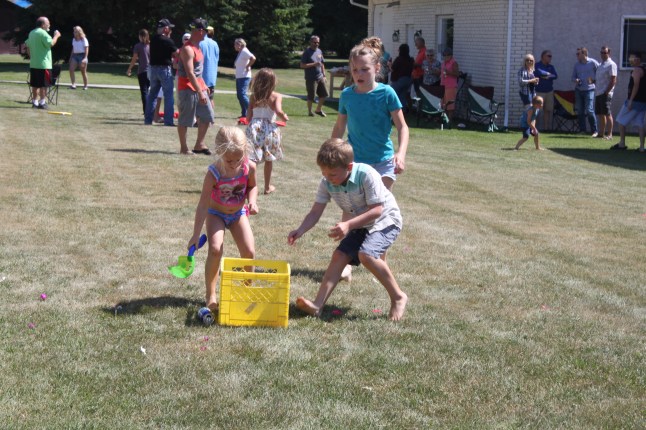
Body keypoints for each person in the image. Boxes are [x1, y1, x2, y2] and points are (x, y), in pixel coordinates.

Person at [287, 138, 408, 321]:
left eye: (332, 174)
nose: (328, 178)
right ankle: (317, 305)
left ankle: (398, 297)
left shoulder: (366, 174)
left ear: (349, 167)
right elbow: (315, 212)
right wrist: (300, 230)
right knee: (339, 255)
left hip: (386, 221)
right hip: (362, 223)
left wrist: (348, 225)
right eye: (324, 173)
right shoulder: (327, 182)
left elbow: (377, 210)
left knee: (367, 255)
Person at [189, 126, 258, 312]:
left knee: (249, 251)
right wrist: (195, 235)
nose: (234, 164)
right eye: (229, 160)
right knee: (215, 249)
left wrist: (252, 201)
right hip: (216, 214)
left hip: (238, 214)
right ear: (219, 152)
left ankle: (246, 291)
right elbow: (203, 205)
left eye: (238, 159)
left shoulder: (249, 167)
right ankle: (211, 294)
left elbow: (252, 186)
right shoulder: (213, 173)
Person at [245, 68, 289, 194]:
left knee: (252, 157)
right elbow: (278, 111)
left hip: (255, 128)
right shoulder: (276, 96)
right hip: (270, 130)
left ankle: (250, 185)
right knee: (269, 158)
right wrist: (284, 117)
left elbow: (248, 117)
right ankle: (267, 187)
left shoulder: (253, 97)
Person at [176, 18, 215, 155]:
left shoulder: (198, 47)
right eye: (206, 31)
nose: (207, 34)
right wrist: (200, 91)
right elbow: (190, 73)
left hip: (199, 87)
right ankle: (184, 148)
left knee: (208, 115)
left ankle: (199, 144)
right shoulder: (187, 49)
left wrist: (203, 85)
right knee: (185, 119)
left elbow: (198, 72)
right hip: (187, 89)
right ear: (200, 31)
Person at [144, 18, 177, 126]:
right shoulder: (168, 41)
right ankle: (168, 121)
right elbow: (177, 53)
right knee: (168, 96)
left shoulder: (153, 39)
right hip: (164, 70)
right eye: (169, 28)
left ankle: (148, 120)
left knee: (152, 95)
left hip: (153, 69)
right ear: (166, 29)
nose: (170, 30)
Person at [610, 52, 646, 152]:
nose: (630, 60)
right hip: (642, 102)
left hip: (635, 101)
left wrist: (631, 100)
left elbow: (636, 85)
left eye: (632, 58)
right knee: (640, 123)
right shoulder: (643, 69)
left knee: (620, 119)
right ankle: (642, 147)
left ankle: (622, 143)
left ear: (638, 60)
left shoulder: (637, 70)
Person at [25, 16, 61, 110]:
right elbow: (51, 43)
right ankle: (42, 102)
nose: (49, 24)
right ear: (43, 24)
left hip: (34, 64)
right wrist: (56, 36)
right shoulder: (43, 33)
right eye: (48, 23)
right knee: (44, 85)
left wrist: (32, 57)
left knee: (35, 84)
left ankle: (35, 102)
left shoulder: (32, 33)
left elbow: (27, 46)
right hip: (44, 64)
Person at [572, 47, 599, 136]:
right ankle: (582, 130)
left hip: (589, 89)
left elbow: (600, 73)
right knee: (580, 111)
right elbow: (573, 77)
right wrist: (576, 80)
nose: (576, 55)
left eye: (578, 54)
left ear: (584, 54)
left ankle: (594, 131)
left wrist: (594, 80)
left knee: (589, 110)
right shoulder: (576, 65)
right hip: (579, 90)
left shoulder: (593, 62)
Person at [300, 35, 328, 117]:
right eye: (315, 42)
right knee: (311, 96)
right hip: (311, 78)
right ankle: (310, 112)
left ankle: (318, 110)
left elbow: (322, 64)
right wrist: (314, 64)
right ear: (310, 42)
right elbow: (302, 65)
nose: (316, 44)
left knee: (324, 95)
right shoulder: (307, 52)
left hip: (320, 76)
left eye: (318, 42)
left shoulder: (319, 51)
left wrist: (324, 75)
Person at [127, 29, 152, 115]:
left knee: (144, 92)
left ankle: (146, 111)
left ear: (141, 36)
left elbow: (134, 59)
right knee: (149, 92)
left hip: (142, 71)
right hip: (151, 71)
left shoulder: (138, 46)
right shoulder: (150, 45)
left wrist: (129, 68)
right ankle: (150, 110)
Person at [594, 46, 617, 140]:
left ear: (609, 53)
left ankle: (610, 134)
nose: (603, 54)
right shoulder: (600, 65)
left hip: (605, 93)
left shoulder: (611, 64)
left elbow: (613, 80)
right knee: (600, 114)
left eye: (605, 53)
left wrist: (607, 92)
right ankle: (601, 133)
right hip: (598, 92)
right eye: (601, 52)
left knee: (607, 113)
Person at [534, 50, 558, 131]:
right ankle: (534, 128)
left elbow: (555, 76)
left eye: (551, 56)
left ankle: (546, 128)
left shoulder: (551, 67)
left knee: (547, 110)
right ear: (543, 57)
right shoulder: (537, 65)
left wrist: (547, 76)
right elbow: (538, 72)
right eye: (549, 56)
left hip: (549, 91)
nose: (550, 58)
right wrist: (548, 74)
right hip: (539, 91)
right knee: (537, 110)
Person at [234, 38, 256, 123]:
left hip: (244, 76)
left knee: (242, 94)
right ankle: (244, 114)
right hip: (239, 76)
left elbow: (253, 58)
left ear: (240, 44)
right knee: (239, 95)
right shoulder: (241, 52)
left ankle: (253, 112)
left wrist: (248, 66)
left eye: (235, 44)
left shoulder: (244, 51)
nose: (234, 46)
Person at [199, 25, 220, 109]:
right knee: (210, 98)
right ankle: (211, 116)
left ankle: (199, 117)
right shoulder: (215, 44)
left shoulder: (200, 42)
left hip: (201, 75)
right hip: (212, 76)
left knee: (200, 99)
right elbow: (217, 59)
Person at [389, 43, 414, 111]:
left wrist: (389, 64)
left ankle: (392, 110)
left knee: (392, 93)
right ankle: (402, 111)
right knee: (402, 96)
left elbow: (392, 69)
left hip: (399, 80)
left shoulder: (399, 59)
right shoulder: (411, 60)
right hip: (408, 80)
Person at [440, 47, 460, 122]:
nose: (445, 57)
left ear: (451, 55)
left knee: (450, 105)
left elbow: (457, 74)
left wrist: (449, 72)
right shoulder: (443, 63)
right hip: (443, 85)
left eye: (447, 55)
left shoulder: (454, 63)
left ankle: (449, 121)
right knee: (443, 104)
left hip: (451, 86)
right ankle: (445, 120)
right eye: (444, 55)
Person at [68, 26, 89, 90]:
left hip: (82, 56)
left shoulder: (84, 39)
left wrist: (85, 58)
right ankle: (73, 85)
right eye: (74, 31)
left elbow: (86, 49)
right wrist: (70, 57)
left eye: (76, 31)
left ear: (79, 32)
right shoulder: (73, 39)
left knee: (83, 72)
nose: (74, 32)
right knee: (71, 69)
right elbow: (73, 49)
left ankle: (85, 86)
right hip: (75, 56)